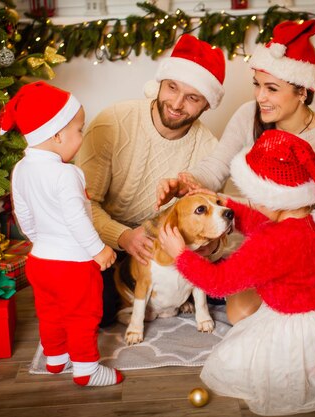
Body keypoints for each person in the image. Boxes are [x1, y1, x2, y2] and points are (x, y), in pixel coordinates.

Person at [155, 19, 315, 309]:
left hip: (304, 242)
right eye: (257, 85)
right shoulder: (249, 114)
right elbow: (218, 165)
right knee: (237, 311)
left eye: (272, 88)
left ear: (303, 91)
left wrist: (219, 206)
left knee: (270, 309)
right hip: (265, 236)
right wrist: (188, 183)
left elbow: (288, 210)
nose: (260, 97)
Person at [158, 129, 315, 416]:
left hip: (297, 329)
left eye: (256, 196)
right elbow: (260, 221)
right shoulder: (306, 219)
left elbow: (218, 283)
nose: (253, 204)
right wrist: (223, 203)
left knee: (243, 365)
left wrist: (181, 255)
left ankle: (311, 364)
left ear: (277, 197)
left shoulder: (273, 243)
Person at [76, 34, 226, 326]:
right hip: (104, 241)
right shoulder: (113, 122)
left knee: (232, 282)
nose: (177, 103)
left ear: (206, 105)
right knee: (100, 313)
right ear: (161, 82)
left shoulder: (210, 149)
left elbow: (216, 219)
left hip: (166, 249)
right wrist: (124, 237)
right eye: (172, 88)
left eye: (193, 98)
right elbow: (81, 204)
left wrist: (211, 246)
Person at [0, 81, 122, 387]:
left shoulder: (21, 170)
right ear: (56, 135)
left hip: (39, 260)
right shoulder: (67, 174)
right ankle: (86, 370)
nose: (81, 136)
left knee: (50, 311)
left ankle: (55, 358)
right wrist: (98, 250)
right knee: (82, 315)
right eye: (79, 130)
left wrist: (40, 241)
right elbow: (77, 219)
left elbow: (23, 215)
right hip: (72, 265)